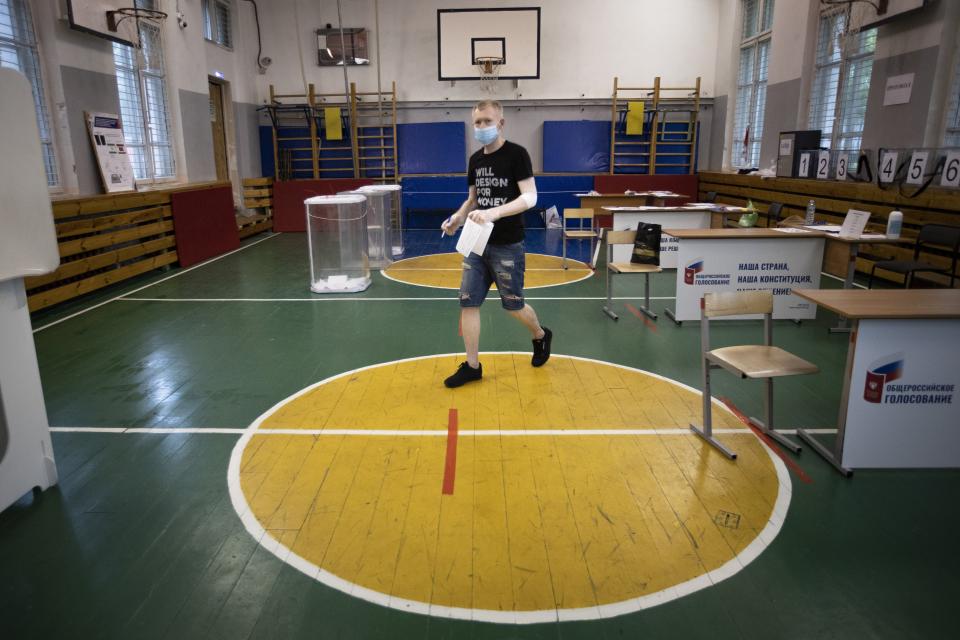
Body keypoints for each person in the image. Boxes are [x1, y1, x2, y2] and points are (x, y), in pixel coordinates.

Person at [440, 100, 552, 388]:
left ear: (500, 123)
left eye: (487, 121)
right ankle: (473, 366)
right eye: (477, 122)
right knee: (468, 303)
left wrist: (495, 212)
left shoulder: (517, 154)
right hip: (477, 243)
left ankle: (540, 335)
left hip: (507, 244)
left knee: (514, 307)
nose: (482, 127)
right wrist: (457, 217)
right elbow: (473, 199)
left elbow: (530, 198)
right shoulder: (476, 160)